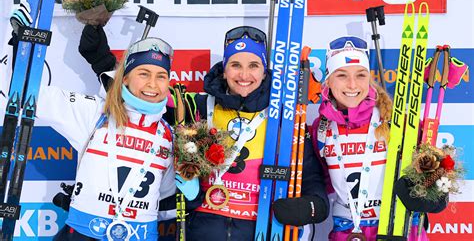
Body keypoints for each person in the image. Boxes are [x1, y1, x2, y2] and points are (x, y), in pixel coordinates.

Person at [4, 26, 177, 239]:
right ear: (124, 78)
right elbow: (29, 96)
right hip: (86, 234)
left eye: (161, 76)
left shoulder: (168, 135)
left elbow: (167, 195)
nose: (152, 84)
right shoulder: (95, 112)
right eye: (143, 73)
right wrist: (23, 45)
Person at [278, 36, 448, 240]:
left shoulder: (399, 122)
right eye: (341, 75)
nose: (352, 85)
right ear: (328, 80)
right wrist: (309, 204)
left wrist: (433, 196)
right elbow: (319, 183)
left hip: (398, 230)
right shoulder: (321, 129)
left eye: (360, 75)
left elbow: (437, 171)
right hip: (347, 231)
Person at [183, 26, 329, 240]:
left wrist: (311, 207)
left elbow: (312, 178)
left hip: (262, 229)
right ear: (224, 70)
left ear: (264, 70)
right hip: (205, 230)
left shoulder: (285, 117)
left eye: (253, 65)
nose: (244, 75)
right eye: (235, 65)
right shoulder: (198, 108)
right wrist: (190, 195)